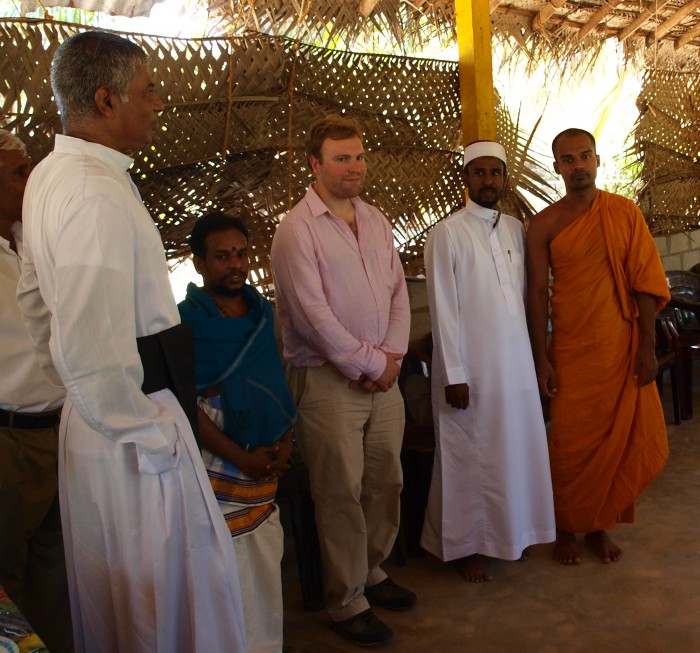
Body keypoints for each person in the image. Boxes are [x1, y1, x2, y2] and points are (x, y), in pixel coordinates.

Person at [16, 32, 245, 652]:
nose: (158, 105)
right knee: (154, 597)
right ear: (105, 100)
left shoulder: (50, 177)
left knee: (124, 597)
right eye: (148, 93)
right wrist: (145, 428)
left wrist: (83, 393)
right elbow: (90, 338)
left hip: (100, 417)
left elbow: (37, 306)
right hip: (131, 432)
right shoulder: (92, 191)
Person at [270, 115, 415, 648]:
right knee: (339, 493)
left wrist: (392, 354)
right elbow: (311, 317)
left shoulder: (375, 220)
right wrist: (371, 364)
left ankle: (373, 571)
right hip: (328, 383)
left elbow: (398, 292)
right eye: (341, 158)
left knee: (386, 482)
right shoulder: (296, 230)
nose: (354, 167)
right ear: (315, 164)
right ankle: (346, 598)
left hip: (384, 376)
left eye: (358, 156)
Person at [526, 128, 670, 566]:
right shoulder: (544, 224)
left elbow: (645, 285)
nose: (578, 166)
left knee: (616, 441)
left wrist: (647, 347)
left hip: (618, 347)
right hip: (570, 350)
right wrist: (541, 358)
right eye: (568, 160)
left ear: (598, 160)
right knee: (570, 443)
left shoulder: (624, 214)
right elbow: (535, 294)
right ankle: (566, 529)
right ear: (557, 168)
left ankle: (599, 525)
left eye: (584, 156)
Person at [420, 140, 556, 582]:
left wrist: (538, 360)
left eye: (494, 173)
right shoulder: (447, 233)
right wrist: (454, 374)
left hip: (514, 364)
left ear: (504, 178)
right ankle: (464, 548)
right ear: (465, 179)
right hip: (471, 370)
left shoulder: (517, 229)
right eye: (478, 173)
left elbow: (526, 298)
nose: (488, 181)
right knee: (468, 456)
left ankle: (512, 534)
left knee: (512, 451)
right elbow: (443, 308)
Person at [178, 211, 296, 653]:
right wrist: (239, 456)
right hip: (217, 462)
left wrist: (284, 440)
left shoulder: (262, 313)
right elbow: (186, 406)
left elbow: (274, 383)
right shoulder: (185, 323)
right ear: (199, 264)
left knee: (264, 561)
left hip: (266, 456)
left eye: (242, 254)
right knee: (224, 567)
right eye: (222, 256)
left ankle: (265, 644)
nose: (235, 264)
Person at [0, 129, 72, 653]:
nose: (32, 180)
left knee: (57, 567)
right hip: (10, 440)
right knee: (10, 576)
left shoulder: (32, 241)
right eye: (19, 172)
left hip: (59, 431)